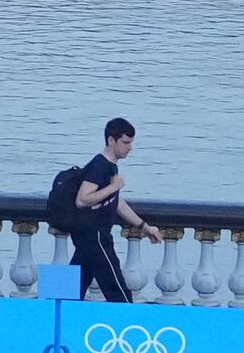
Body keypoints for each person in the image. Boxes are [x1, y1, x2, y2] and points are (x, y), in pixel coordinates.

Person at [44, 118, 163, 299]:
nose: (130, 147)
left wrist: (145, 227)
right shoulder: (99, 166)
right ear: (111, 140)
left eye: (131, 143)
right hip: (96, 237)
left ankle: (49, 318)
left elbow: (116, 203)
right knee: (118, 293)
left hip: (88, 238)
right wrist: (114, 187)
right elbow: (82, 200)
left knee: (68, 292)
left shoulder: (109, 167)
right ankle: (130, 322)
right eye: (125, 142)